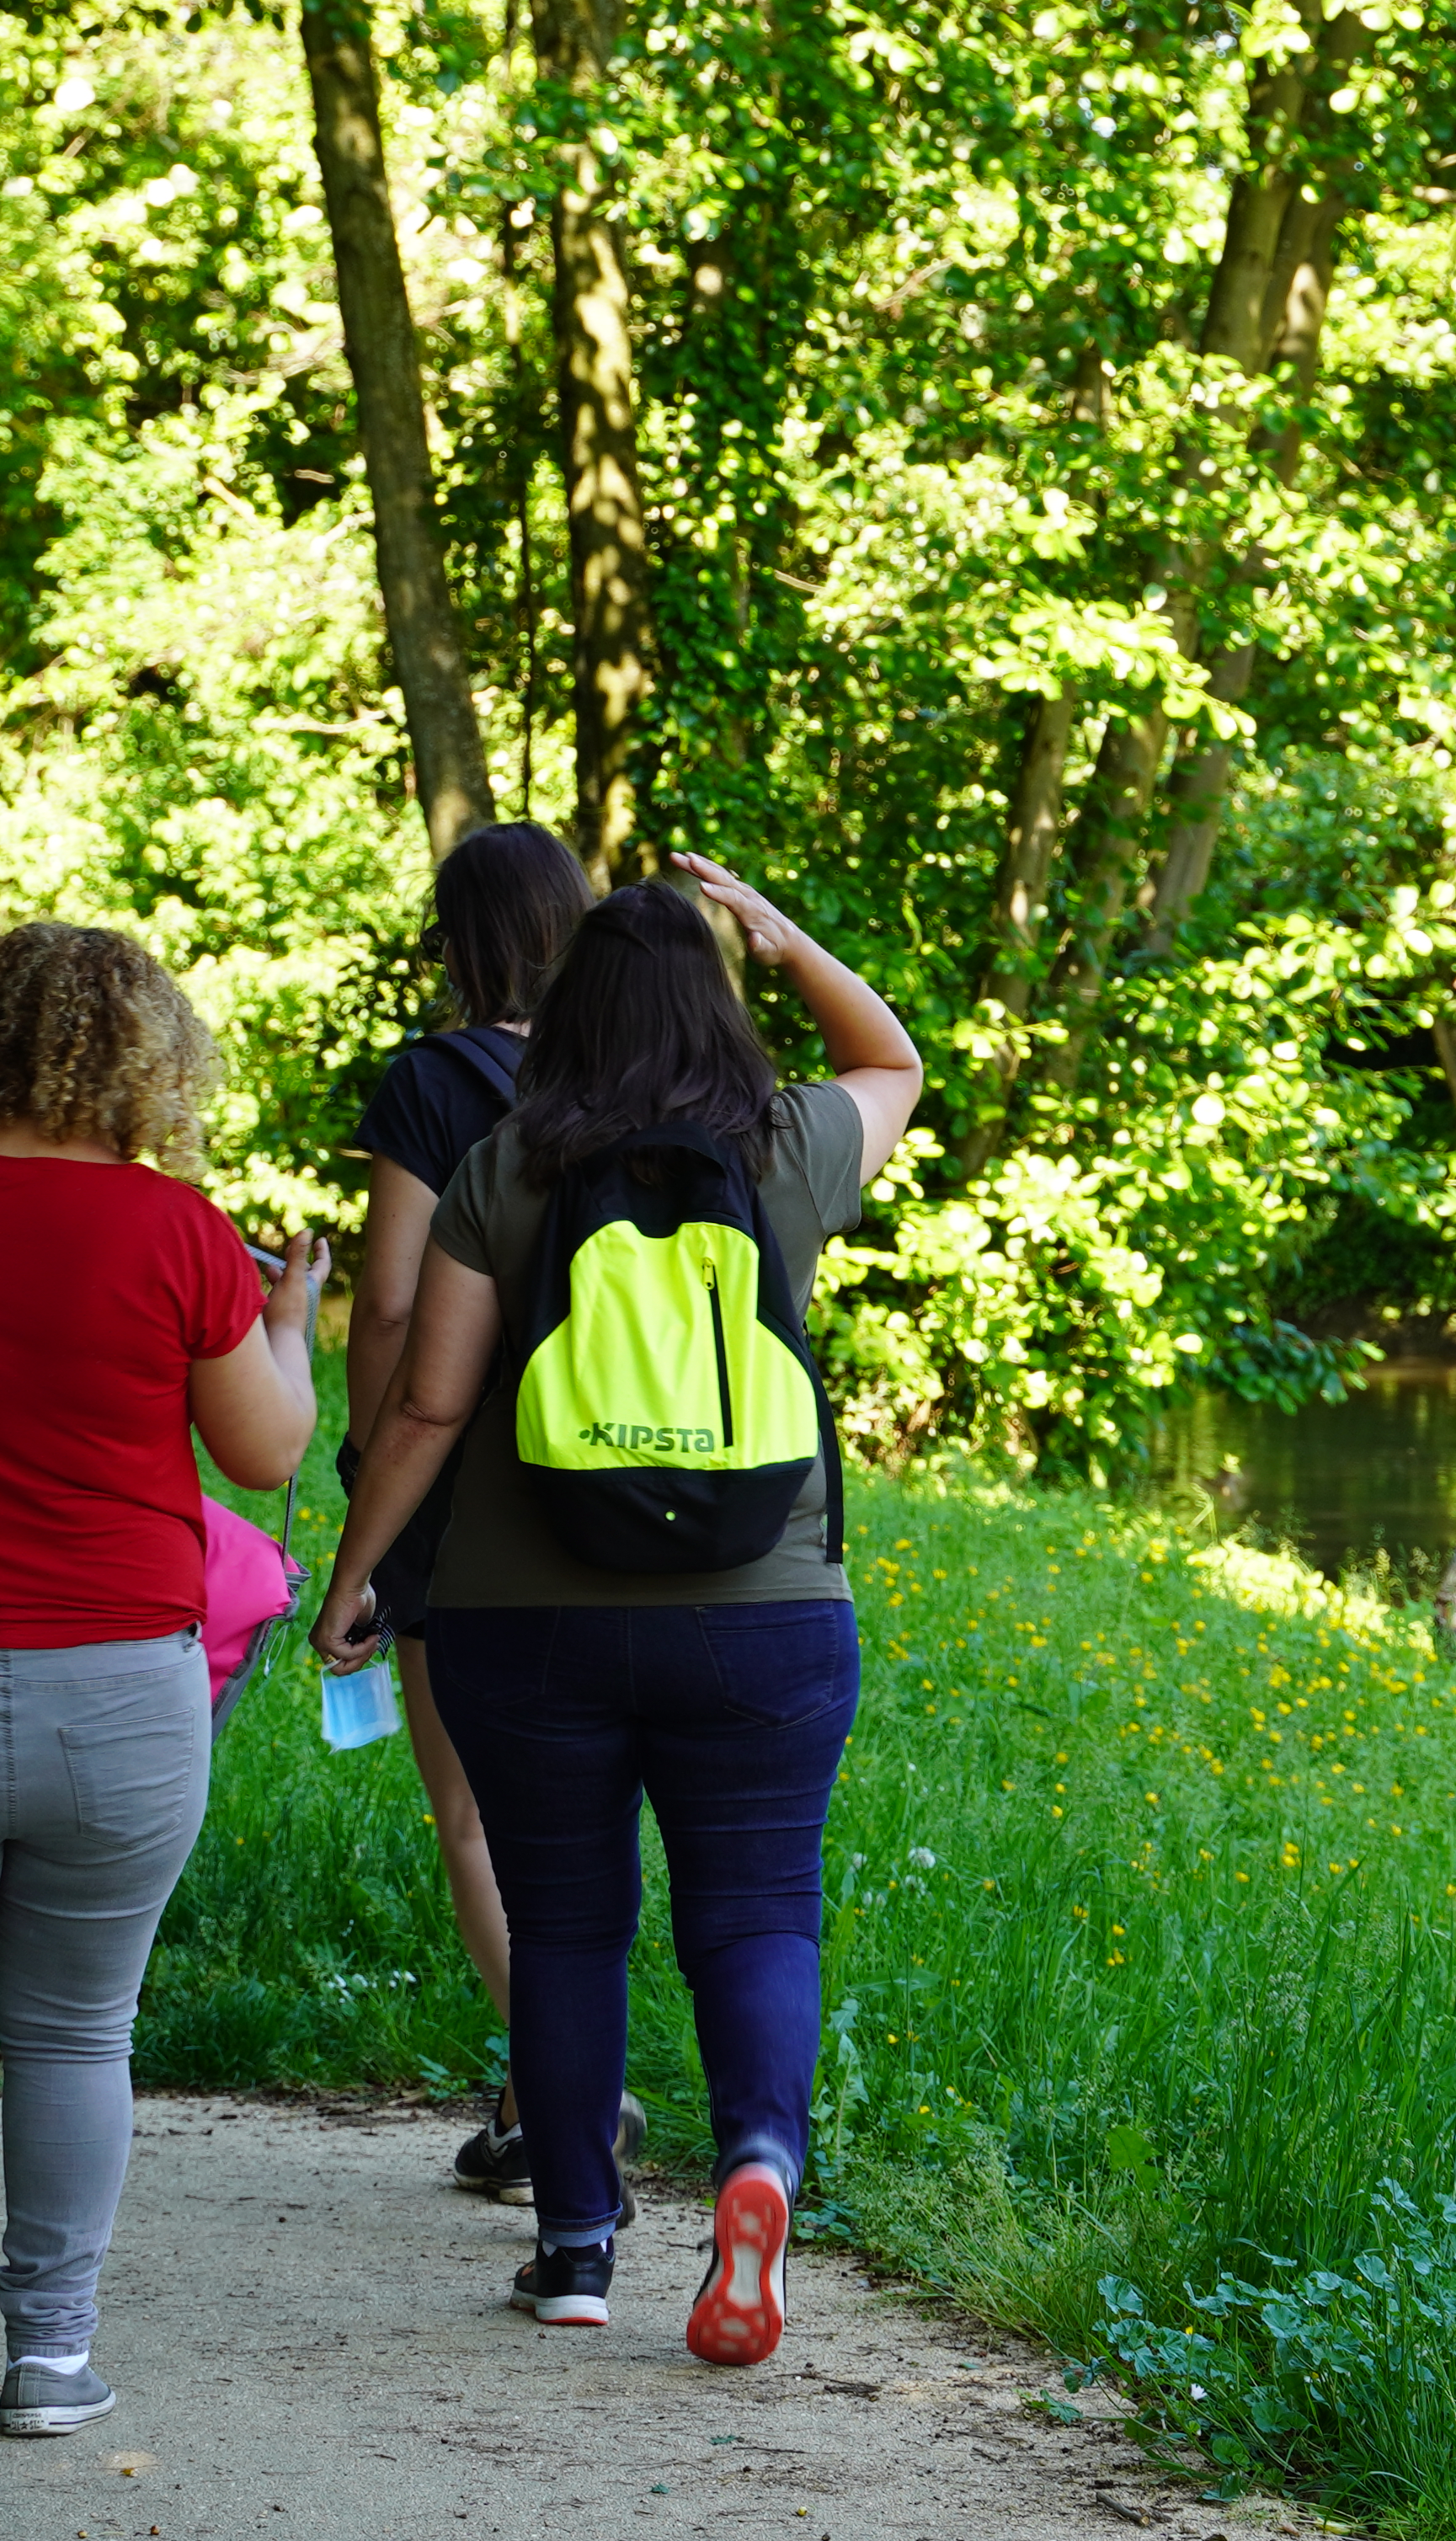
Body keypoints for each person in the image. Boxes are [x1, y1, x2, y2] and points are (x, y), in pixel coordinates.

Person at [307, 857, 920, 2364]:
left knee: (571, 1927)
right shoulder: (784, 1149)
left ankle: (576, 2248)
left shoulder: (510, 1164)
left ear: (569, 1010)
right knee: (758, 1907)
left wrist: (358, 1578)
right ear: (716, 1009)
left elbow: (430, 1405)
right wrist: (784, 938)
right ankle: (757, 2167)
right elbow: (894, 1058)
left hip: (532, 1621)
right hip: (764, 1611)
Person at [0, 921, 326, 2480]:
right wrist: (283, 1322)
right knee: (78, 2029)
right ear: (145, 1061)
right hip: (122, 1692)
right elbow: (268, 1455)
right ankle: (58, 2356)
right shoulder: (176, 1231)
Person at [339, 821, 616, 2198]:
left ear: (459, 940)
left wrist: (367, 1467)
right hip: (627, 1479)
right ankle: (534, 2099)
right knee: (580, 1823)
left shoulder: (435, 1084)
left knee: (472, 1817)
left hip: (467, 1497)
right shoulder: (637, 1073)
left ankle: (577, 2094)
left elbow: (390, 1302)